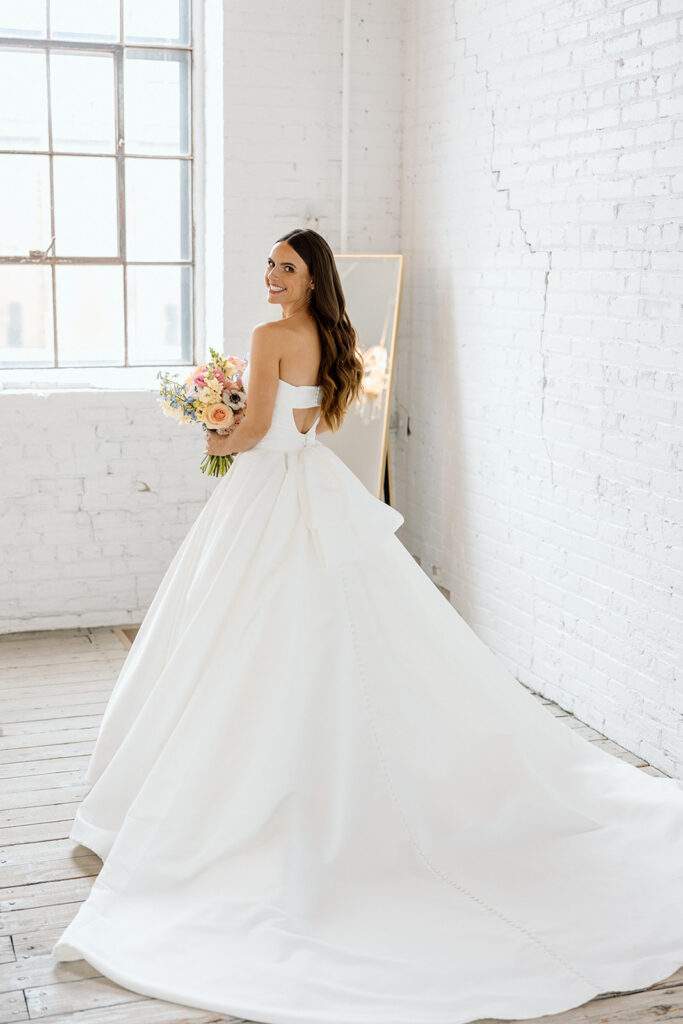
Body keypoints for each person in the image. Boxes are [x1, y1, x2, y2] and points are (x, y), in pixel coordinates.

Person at [52, 228, 683, 1024]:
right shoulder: (329, 336)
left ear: (312, 277)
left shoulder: (269, 335)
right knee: (332, 624)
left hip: (267, 494)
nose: (272, 276)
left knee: (240, 629)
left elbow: (252, 434)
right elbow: (314, 429)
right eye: (270, 266)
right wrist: (235, 420)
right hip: (311, 482)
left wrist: (214, 431)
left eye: (286, 267)